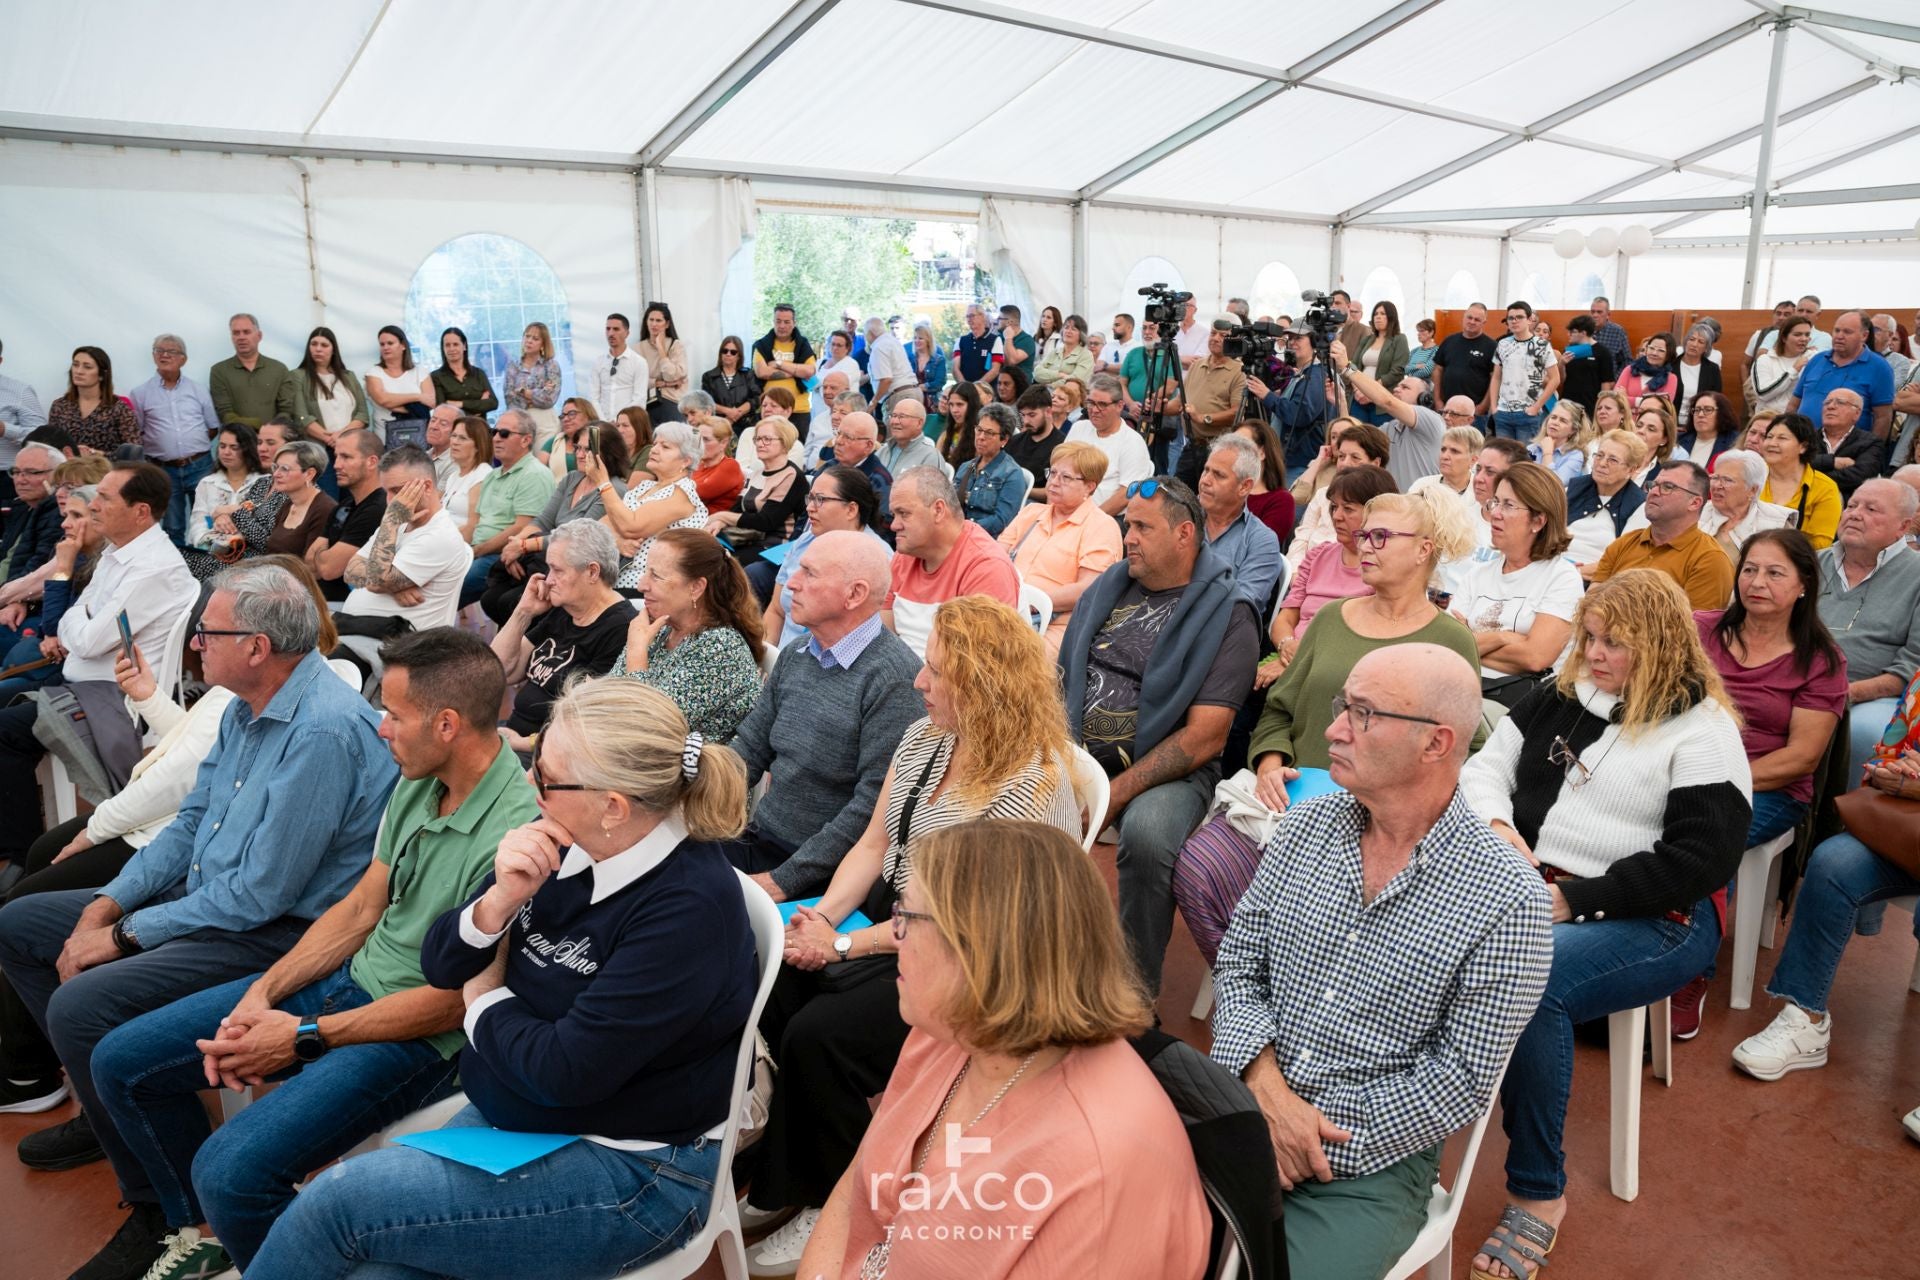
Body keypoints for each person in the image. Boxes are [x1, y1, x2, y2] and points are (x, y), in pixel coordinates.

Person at [246, 679, 757, 1280]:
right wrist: (499, 900)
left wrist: (483, 998)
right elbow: (442, 964)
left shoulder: (688, 910)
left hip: (637, 1171)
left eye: (546, 777)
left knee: (336, 1204)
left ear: (613, 805)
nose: (530, 786)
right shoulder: (570, 843)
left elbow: (563, 1069)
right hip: (520, 1122)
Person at [76, 629, 539, 1280]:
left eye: (395, 715)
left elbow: (451, 1004)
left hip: (421, 1038)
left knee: (232, 1171)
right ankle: (204, 1237)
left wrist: (301, 1036)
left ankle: (268, 1245)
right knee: (120, 1064)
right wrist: (262, 995)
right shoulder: (421, 775)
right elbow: (358, 910)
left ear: (447, 724)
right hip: (349, 985)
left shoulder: (516, 839)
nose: (380, 727)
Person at [0, 564, 395, 1216]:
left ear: (256, 647)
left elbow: (260, 897)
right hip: (216, 900)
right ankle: (118, 1115)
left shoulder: (322, 731)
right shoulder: (248, 706)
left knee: (81, 1008)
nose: (194, 644)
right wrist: (108, 905)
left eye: (207, 633)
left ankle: (169, 1206)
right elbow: (188, 826)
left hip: (276, 934)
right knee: (21, 922)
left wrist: (123, 936)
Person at [737, 598, 1081, 1272]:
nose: (919, 683)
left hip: (978, 956)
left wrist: (840, 946)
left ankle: (835, 1195)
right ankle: (791, 1163)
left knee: (824, 1036)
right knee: (778, 977)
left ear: (982, 684)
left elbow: (964, 921)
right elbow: (872, 843)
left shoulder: (1028, 785)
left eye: (936, 671)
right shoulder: (927, 738)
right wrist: (826, 918)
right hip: (903, 913)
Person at [1208, 645, 1551, 1280]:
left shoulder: (1507, 897)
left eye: (1363, 714)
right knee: (1113, 1229)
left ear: (1435, 744)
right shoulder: (1304, 826)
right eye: (1345, 706)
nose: (1334, 728)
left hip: (1366, 1161)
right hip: (1245, 1096)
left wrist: (1304, 1143)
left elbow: (1459, 1078)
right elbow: (1239, 963)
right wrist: (1261, 1088)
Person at [1460, 570, 1751, 1280]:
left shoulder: (1702, 732)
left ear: (1658, 646)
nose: (1593, 653)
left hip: (1658, 918)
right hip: (1533, 889)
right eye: (1589, 635)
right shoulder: (1565, 694)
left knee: (1535, 980)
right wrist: (1499, 827)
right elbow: (1484, 767)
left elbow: (1698, 864)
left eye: (1614, 644)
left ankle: (1539, 1194)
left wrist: (1575, 899)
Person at [797, 820, 1210, 1280]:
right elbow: (860, 1185)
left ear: (981, 950)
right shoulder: (950, 1031)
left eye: (905, 918)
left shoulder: (1099, 1177)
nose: (895, 938)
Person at [1059, 476, 1259, 995]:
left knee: (1148, 836)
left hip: (1168, 766)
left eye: (1143, 527)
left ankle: (1132, 992)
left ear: (1185, 534)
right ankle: (1024, 958)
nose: (1128, 538)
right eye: (1129, 525)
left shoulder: (1230, 612)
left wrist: (1114, 794)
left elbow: (1203, 740)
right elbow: (1061, 674)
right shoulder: (1111, 584)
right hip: (1075, 748)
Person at [1667, 530, 1848, 1037]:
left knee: (1706, 831)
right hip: (1681, 771)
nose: (1757, 582)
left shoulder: (1820, 660)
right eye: (1749, 569)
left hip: (1768, 788)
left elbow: (1801, 758)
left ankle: (1688, 971)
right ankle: (1628, 937)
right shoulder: (1700, 630)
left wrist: (1713, 778)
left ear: (1804, 585)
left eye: (1774, 573)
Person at [1728, 675, 1920, 1083]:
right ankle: (1805, 1016)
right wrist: (1892, 771)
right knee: (1834, 862)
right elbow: (1885, 756)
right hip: (1910, 833)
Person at [0, 465, 195, 864]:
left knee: (4, 732)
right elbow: (77, 620)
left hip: (111, 699)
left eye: (105, 498)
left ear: (140, 512)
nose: (94, 506)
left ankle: (20, 858)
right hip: (79, 684)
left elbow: (85, 639)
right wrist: (78, 620)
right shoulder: (118, 552)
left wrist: (77, 621)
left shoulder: (152, 568)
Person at [491, 519, 636, 752]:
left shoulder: (620, 628)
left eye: (557, 570)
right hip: (515, 734)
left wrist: (522, 743)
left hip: (550, 754)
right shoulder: (566, 609)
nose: (548, 580)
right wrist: (523, 612)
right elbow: (500, 670)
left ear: (592, 572)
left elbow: (587, 728)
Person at [611, 529, 763, 740]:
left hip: (680, 769)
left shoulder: (720, 649)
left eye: (655, 575)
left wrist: (636, 655)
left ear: (696, 588)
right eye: (646, 571)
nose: (641, 585)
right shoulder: (662, 627)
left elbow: (646, 730)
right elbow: (607, 695)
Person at [1452, 461, 1582, 708]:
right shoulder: (1477, 575)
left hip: (1527, 703)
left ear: (1538, 521)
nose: (1495, 513)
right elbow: (1451, 646)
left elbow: (1536, 658)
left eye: (1508, 505)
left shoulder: (1561, 576)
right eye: (1495, 502)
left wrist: (1473, 640)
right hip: (1464, 688)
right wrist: (1506, 637)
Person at [1817, 477, 1920, 778]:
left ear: (1904, 526)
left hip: (1874, 694)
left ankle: (1844, 819)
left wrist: (1846, 693)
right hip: (1792, 682)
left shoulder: (1916, 575)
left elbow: (1912, 667)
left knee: (1861, 730)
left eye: (1871, 509)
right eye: (1851, 505)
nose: (1855, 514)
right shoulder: (1811, 563)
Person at [476, 425, 625, 625]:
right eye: (577, 448)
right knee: (491, 598)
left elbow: (576, 538)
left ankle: (525, 651)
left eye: (587, 449)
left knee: (509, 602)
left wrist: (522, 546)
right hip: (542, 559)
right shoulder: (572, 478)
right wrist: (516, 544)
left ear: (605, 453)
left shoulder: (612, 489)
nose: (580, 455)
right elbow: (543, 520)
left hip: (573, 567)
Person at [1264, 466, 1398, 684]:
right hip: (1291, 657)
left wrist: (1302, 659)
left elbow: (1366, 641)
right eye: (1334, 507)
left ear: (1376, 512)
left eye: (1348, 509)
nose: (1337, 516)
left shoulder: (1384, 568)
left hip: (1339, 672)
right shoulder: (1317, 555)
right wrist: (1287, 646)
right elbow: (1286, 618)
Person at [997, 441, 1124, 659]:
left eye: (1065, 477)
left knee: (1007, 659)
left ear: (1090, 486)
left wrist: (1032, 603)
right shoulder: (1032, 513)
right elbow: (995, 558)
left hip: (1055, 626)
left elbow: (1087, 589)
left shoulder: (1101, 527)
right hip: (1005, 609)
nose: (1054, 482)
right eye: (1053, 472)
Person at [336, 447, 475, 643]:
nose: (390, 501)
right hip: (360, 629)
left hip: (398, 643)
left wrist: (390, 524)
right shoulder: (398, 524)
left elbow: (376, 582)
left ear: (426, 487)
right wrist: (394, 586)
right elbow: (350, 571)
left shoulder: (439, 535)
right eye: (386, 492)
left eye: (397, 491)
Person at [883, 467, 1019, 658]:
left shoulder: (986, 568)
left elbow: (976, 667)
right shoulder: (906, 552)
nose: (894, 525)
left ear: (938, 510)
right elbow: (884, 638)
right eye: (893, 515)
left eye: (903, 513)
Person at [759, 466, 888, 645]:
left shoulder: (877, 559)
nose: (810, 508)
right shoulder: (806, 540)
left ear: (851, 510)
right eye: (810, 498)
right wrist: (765, 659)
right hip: (782, 660)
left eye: (820, 500)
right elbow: (776, 611)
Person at [1590, 459, 1734, 610]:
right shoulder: (1625, 543)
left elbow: (1693, 629)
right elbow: (1591, 604)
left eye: (1667, 487)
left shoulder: (1710, 560)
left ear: (1694, 503)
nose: (1653, 492)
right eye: (1653, 485)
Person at [127, 334, 221, 545]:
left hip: (200, 465)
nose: (165, 355)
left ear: (183, 359)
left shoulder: (198, 390)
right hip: (163, 469)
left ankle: (209, 566)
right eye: (159, 350)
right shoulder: (140, 393)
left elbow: (213, 427)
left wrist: (191, 448)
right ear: (153, 356)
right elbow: (138, 432)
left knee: (208, 521)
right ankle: (178, 571)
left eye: (172, 351)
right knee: (172, 526)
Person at [459, 408, 557, 606]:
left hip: (503, 554)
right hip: (477, 552)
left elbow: (524, 527)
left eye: (504, 434)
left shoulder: (534, 474)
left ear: (525, 440)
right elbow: (475, 522)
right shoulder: (492, 476)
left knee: (451, 585)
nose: (496, 438)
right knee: (432, 575)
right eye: (493, 432)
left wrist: (476, 551)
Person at [1333, 338, 1441, 489]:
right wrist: (1341, 403)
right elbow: (1353, 436)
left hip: (1422, 509)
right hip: (1393, 508)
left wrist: (1347, 367)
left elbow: (1387, 401)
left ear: (1424, 399)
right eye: (1398, 386)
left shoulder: (1430, 420)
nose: (1397, 389)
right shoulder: (1388, 428)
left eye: (1405, 387)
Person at [1284, 420, 1389, 573]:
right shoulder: (1323, 495)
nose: (1345, 464)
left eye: (1355, 457)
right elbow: (1301, 540)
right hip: (1305, 577)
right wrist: (1295, 575)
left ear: (1375, 463)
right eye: (1341, 456)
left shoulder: (1385, 504)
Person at [1198, 433, 1283, 611]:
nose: (1205, 480)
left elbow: (1242, 606)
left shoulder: (1261, 540)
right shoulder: (1181, 518)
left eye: (1218, 475)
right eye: (1206, 470)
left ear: (1244, 487)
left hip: (1219, 633)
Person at [281, 328, 368, 490]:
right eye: (314, 344)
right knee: (328, 498)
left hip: (350, 449)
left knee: (352, 499)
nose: (318, 349)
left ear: (333, 349)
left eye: (324, 345)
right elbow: (301, 417)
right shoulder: (298, 376)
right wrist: (330, 440)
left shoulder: (348, 376)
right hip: (319, 451)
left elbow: (362, 414)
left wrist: (341, 437)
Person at [304, 428, 386, 602]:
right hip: (325, 603)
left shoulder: (378, 508)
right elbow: (309, 564)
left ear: (371, 462)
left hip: (350, 608)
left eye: (346, 457)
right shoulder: (344, 506)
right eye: (337, 456)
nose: (336, 465)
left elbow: (328, 569)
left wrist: (323, 555)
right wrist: (325, 557)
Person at [1787, 310, 1896, 438]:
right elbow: (1794, 404)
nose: (1839, 336)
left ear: (1864, 335)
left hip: (1847, 451)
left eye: (1847, 332)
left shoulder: (1880, 367)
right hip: (1802, 445)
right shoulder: (1817, 360)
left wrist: (1873, 452)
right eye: (1837, 330)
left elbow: (1883, 417)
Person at [709, 415, 810, 548]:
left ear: (784, 443)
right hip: (747, 538)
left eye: (767, 439)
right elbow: (737, 509)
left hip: (775, 545)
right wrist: (720, 522)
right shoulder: (756, 473)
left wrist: (721, 516)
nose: (760, 444)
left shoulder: (791, 476)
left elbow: (767, 521)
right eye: (757, 439)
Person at [1066, 372, 1154, 517]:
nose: (1094, 410)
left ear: (1120, 406)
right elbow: (1058, 470)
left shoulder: (1132, 442)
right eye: (1091, 403)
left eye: (1102, 405)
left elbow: (1126, 494)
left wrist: (1087, 520)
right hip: (1069, 509)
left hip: (1106, 517)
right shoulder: (1079, 427)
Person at [1563, 429, 1648, 570]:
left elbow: (1623, 562)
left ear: (1631, 470)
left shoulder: (1639, 506)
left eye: (1612, 460)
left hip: (1595, 581)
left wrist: (1573, 573)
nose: (1602, 463)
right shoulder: (1573, 489)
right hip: (1553, 566)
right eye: (1599, 455)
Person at [1758, 412, 1844, 549]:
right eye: (1769, 437)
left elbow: (1820, 544)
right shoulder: (1752, 477)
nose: (1772, 443)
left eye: (1782, 438)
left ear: (1803, 447)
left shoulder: (1825, 488)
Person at [1254, 330, 1332, 475]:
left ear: (1314, 342)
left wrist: (1268, 396)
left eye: (1298, 338)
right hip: (1292, 458)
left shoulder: (1315, 376)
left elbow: (1300, 414)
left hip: (1300, 461)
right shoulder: (1303, 373)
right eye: (1290, 338)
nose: (1292, 342)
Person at [1696, 447, 1793, 560]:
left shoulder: (1778, 524)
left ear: (1752, 490)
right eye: (1715, 477)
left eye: (1727, 480)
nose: (1717, 485)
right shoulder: (1694, 512)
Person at [1488, 301, 1561, 441]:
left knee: (1525, 459)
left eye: (1519, 317)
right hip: (1503, 412)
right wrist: (1494, 407)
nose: (1514, 321)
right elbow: (1496, 377)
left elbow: (1555, 378)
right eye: (1511, 318)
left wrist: (1537, 406)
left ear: (1529, 320)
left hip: (1528, 413)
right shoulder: (1503, 344)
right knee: (1503, 458)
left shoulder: (1542, 345)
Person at [183, 425, 264, 552]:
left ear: (248, 449)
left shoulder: (264, 481)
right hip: (212, 553)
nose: (226, 452)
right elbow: (198, 523)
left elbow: (264, 524)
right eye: (222, 446)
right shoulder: (207, 483)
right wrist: (213, 542)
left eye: (234, 447)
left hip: (252, 553)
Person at [47, 346, 140, 455]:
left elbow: (134, 452)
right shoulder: (60, 406)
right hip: (67, 469)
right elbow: (50, 447)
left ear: (101, 375)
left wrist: (97, 454)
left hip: (107, 469)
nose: (79, 371)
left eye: (87, 367)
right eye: (75, 365)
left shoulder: (119, 408)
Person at [952, 402, 1027, 536]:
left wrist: (964, 530)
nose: (981, 437)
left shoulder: (1012, 474)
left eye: (989, 433)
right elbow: (951, 505)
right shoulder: (965, 467)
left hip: (986, 542)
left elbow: (1002, 521)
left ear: (1004, 440)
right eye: (979, 430)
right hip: (957, 535)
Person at [258, 440, 337, 560]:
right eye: (276, 467)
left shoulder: (325, 509)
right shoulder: (288, 504)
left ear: (309, 474)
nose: (276, 474)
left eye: (285, 469)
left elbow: (311, 567)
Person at [208, 315, 291, 431]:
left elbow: (286, 410)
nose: (241, 337)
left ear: (259, 336)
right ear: (231, 337)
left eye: (246, 332)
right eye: (236, 333)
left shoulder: (279, 369)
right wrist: (258, 424)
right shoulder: (219, 371)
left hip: (272, 443)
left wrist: (270, 433)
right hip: (235, 443)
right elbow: (224, 413)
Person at [1811, 387, 1887, 501]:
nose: (1830, 406)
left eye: (1840, 402)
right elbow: (1793, 462)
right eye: (1827, 402)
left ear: (1856, 413)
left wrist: (1810, 477)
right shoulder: (1806, 437)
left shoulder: (1870, 443)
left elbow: (1861, 476)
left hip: (1848, 506)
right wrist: (1832, 462)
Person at [363, 324, 437, 442]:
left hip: (418, 438)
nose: (385, 347)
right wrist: (418, 397)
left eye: (390, 343)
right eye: (382, 344)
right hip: (385, 439)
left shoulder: (420, 371)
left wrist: (394, 404)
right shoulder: (373, 373)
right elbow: (383, 400)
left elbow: (430, 402)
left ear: (403, 345)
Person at [1433, 304, 1498, 425]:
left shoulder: (1491, 346)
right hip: (1446, 411)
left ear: (1484, 322)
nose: (1472, 322)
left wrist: (1483, 406)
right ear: (1463, 318)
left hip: (1473, 414)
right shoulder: (1449, 341)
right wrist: (1437, 400)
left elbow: (1494, 378)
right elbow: (1438, 370)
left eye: (1477, 319)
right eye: (1469, 317)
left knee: (1471, 444)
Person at [500, 321, 560, 446]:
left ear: (543, 343)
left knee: (543, 463)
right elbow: (509, 397)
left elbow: (549, 397)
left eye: (535, 338)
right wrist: (535, 396)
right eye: (527, 336)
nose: (529, 341)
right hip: (519, 423)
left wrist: (524, 392)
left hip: (545, 423)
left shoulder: (551, 365)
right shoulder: (513, 365)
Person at [582, 312, 648, 421]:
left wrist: (619, 422)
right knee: (592, 437)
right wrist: (604, 422)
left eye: (616, 329)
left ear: (627, 333)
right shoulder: (598, 362)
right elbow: (592, 397)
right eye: (608, 329)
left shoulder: (639, 362)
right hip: (599, 422)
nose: (611, 333)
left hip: (627, 423)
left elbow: (639, 399)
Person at [1746, 315, 1815, 416]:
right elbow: (1763, 393)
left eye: (1807, 334)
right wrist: (1793, 371)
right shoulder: (1765, 360)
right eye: (1797, 334)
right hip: (1768, 421)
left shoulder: (1813, 358)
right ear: (1783, 338)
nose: (1804, 339)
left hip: (1799, 422)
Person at [1556, 313, 1617, 415]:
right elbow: (1561, 380)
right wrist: (1561, 364)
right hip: (1568, 403)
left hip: (1590, 405)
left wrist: (1601, 406)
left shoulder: (1602, 352)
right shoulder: (1569, 350)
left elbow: (1606, 382)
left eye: (1573, 332)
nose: (1569, 334)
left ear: (1583, 333)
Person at [428, 326, 497, 417]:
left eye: (455, 344)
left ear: (464, 346)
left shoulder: (479, 374)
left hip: (480, 428)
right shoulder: (436, 377)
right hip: (452, 429)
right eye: (447, 345)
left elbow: (493, 403)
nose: (451, 349)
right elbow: (442, 408)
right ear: (443, 348)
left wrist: (460, 404)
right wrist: (477, 407)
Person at [638, 301, 688, 423]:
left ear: (667, 324)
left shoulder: (676, 345)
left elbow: (672, 375)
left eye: (658, 320)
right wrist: (661, 383)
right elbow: (637, 380)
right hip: (647, 403)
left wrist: (661, 348)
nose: (654, 324)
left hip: (672, 402)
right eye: (651, 320)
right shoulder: (637, 348)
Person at [701, 333, 762, 435]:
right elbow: (706, 403)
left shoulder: (748, 374)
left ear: (739, 355)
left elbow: (757, 398)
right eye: (725, 351)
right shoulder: (708, 376)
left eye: (733, 352)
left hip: (746, 426)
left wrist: (735, 414)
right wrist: (728, 412)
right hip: (718, 426)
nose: (728, 354)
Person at [441, 412, 491, 531]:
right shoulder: (453, 476)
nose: (455, 442)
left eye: (462, 438)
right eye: (453, 436)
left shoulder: (483, 474)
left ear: (478, 445)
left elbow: (473, 526)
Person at [860, 315, 915, 421]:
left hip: (897, 396)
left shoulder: (878, 347)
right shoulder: (893, 342)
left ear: (870, 333)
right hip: (911, 391)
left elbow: (886, 379)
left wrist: (874, 402)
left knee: (893, 436)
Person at [875, 394, 942, 480]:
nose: (895, 421)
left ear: (919, 423)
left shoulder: (930, 457)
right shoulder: (884, 450)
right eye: (893, 416)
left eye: (902, 417)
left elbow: (930, 492)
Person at [1673, 324, 1724, 431]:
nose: (1694, 344)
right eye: (1691, 339)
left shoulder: (1712, 370)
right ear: (1686, 341)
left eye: (1701, 342)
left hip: (1697, 426)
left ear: (1706, 348)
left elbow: (1716, 401)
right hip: (1670, 424)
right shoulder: (1671, 365)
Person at [691, 413, 745, 513]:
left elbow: (698, 492)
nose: (699, 444)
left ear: (723, 443)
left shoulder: (730, 466)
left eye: (706, 439)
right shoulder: (699, 465)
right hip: (690, 517)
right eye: (697, 439)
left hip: (709, 523)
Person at [1528, 400, 1593, 483]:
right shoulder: (1532, 448)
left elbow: (1554, 485)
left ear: (1573, 430)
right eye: (1553, 417)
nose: (1555, 422)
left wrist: (1547, 453)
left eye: (1563, 420)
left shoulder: (1575, 456)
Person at [1032, 312, 1096, 390]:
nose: (1068, 331)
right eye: (1066, 327)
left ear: (1081, 334)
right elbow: (1037, 373)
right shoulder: (1054, 352)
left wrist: (1050, 385)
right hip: (1048, 396)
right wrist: (1059, 375)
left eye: (1073, 329)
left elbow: (1075, 381)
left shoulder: (1086, 355)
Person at [1677, 389, 1736, 469]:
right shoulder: (1679, 439)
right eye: (1697, 410)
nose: (1700, 415)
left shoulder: (1733, 443)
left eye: (1708, 410)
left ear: (1721, 414)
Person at [1614, 332, 1679, 405]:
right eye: (1651, 348)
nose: (1654, 353)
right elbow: (1616, 399)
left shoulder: (1671, 379)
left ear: (1669, 355)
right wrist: (1647, 402)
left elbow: (1663, 406)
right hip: (1624, 416)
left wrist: (1627, 399)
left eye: (1661, 350)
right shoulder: (1630, 369)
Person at [939, 379, 987, 470]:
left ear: (972, 405)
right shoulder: (948, 432)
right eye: (951, 405)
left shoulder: (981, 434)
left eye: (959, 404)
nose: (954, 410)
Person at [951, 304, 998, 386]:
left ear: (982, 316)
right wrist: (966, 388)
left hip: (986, 392)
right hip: (964, 391)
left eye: (972, 316)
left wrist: (977, 387)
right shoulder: (960, 341)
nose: (969, 319)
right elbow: (955, 368)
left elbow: (995, 369)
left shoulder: (996, 340)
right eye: (967, 316)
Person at [907, 320, 946, 411]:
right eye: (915, 338)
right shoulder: (909, 359)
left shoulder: (939, 360)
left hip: (933, 404)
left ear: (928, 340)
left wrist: (919, 388)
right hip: (913, 401)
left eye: (920, 338)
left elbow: (939, 383)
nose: (917, 341)